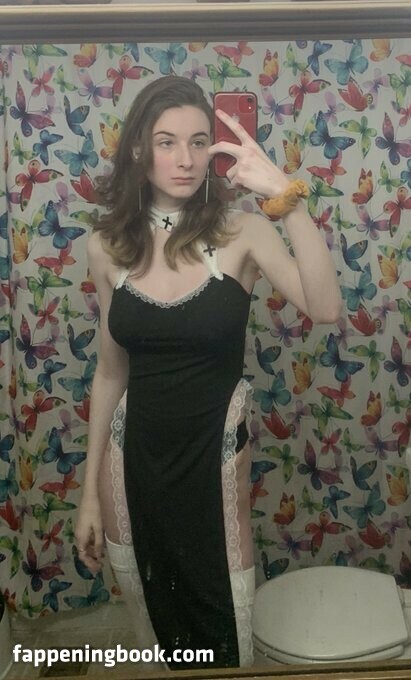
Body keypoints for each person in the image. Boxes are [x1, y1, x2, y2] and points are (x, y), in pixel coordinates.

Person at [75, 75, 342, 670]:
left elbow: (325, 308)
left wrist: (287, 197)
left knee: (225, 628)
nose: (186, 159)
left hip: (214, 466)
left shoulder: (243, 232)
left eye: (200, 142)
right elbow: (110, 373)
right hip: (130, 465)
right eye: (166, 142)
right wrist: (88, 493)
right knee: (154, 630)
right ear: (139, 149)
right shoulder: (106, 246)